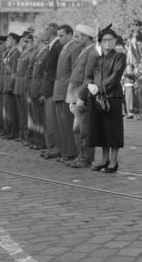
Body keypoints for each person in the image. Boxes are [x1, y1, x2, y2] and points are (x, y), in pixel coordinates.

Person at [82, 25, 126, 173]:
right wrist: (89, 86)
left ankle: (113, 162)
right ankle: (104, 159)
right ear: (100, 42)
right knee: (101, 131)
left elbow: (115, 77)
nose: (107, 43)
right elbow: (87, 76)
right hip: (96, 98)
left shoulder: (120, 56)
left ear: (115, 41)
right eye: (104, 40)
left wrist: (98, 88)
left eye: (110, 40)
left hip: (112, 98)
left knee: (113, 131)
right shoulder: (97, 59)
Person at [66, 24, 99, 168]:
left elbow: (88, 77)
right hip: (76, 94)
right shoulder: (83, 50)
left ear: (86, 37)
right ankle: (81, 155)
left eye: (77, 36)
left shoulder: (92, 52)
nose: (74, 39)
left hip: (83, 96)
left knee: (84, 129)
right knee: (77, 129)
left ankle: (86, 158)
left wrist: (81, 96)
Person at [52, 25, 77, 163]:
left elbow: (74, 71)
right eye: (58, 35)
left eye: (61, 35)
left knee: (67, 124)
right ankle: (64, 151)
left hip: (66, 91)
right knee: (61, 125)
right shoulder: (63, 48)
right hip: (59, 90)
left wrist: (71, 92)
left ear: (70, 34)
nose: (59, 38)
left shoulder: (73, 48)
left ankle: (70, 153)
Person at [39, 23, 62, 158]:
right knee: (49, 120)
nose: (44, 33)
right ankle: (50, 146)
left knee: (52, 120)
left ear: (51, 32)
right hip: (48, 88)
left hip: (53, 88)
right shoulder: (52, 46)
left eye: (45, 31)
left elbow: (55, 70)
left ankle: (54, 147)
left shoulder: (57, 46)